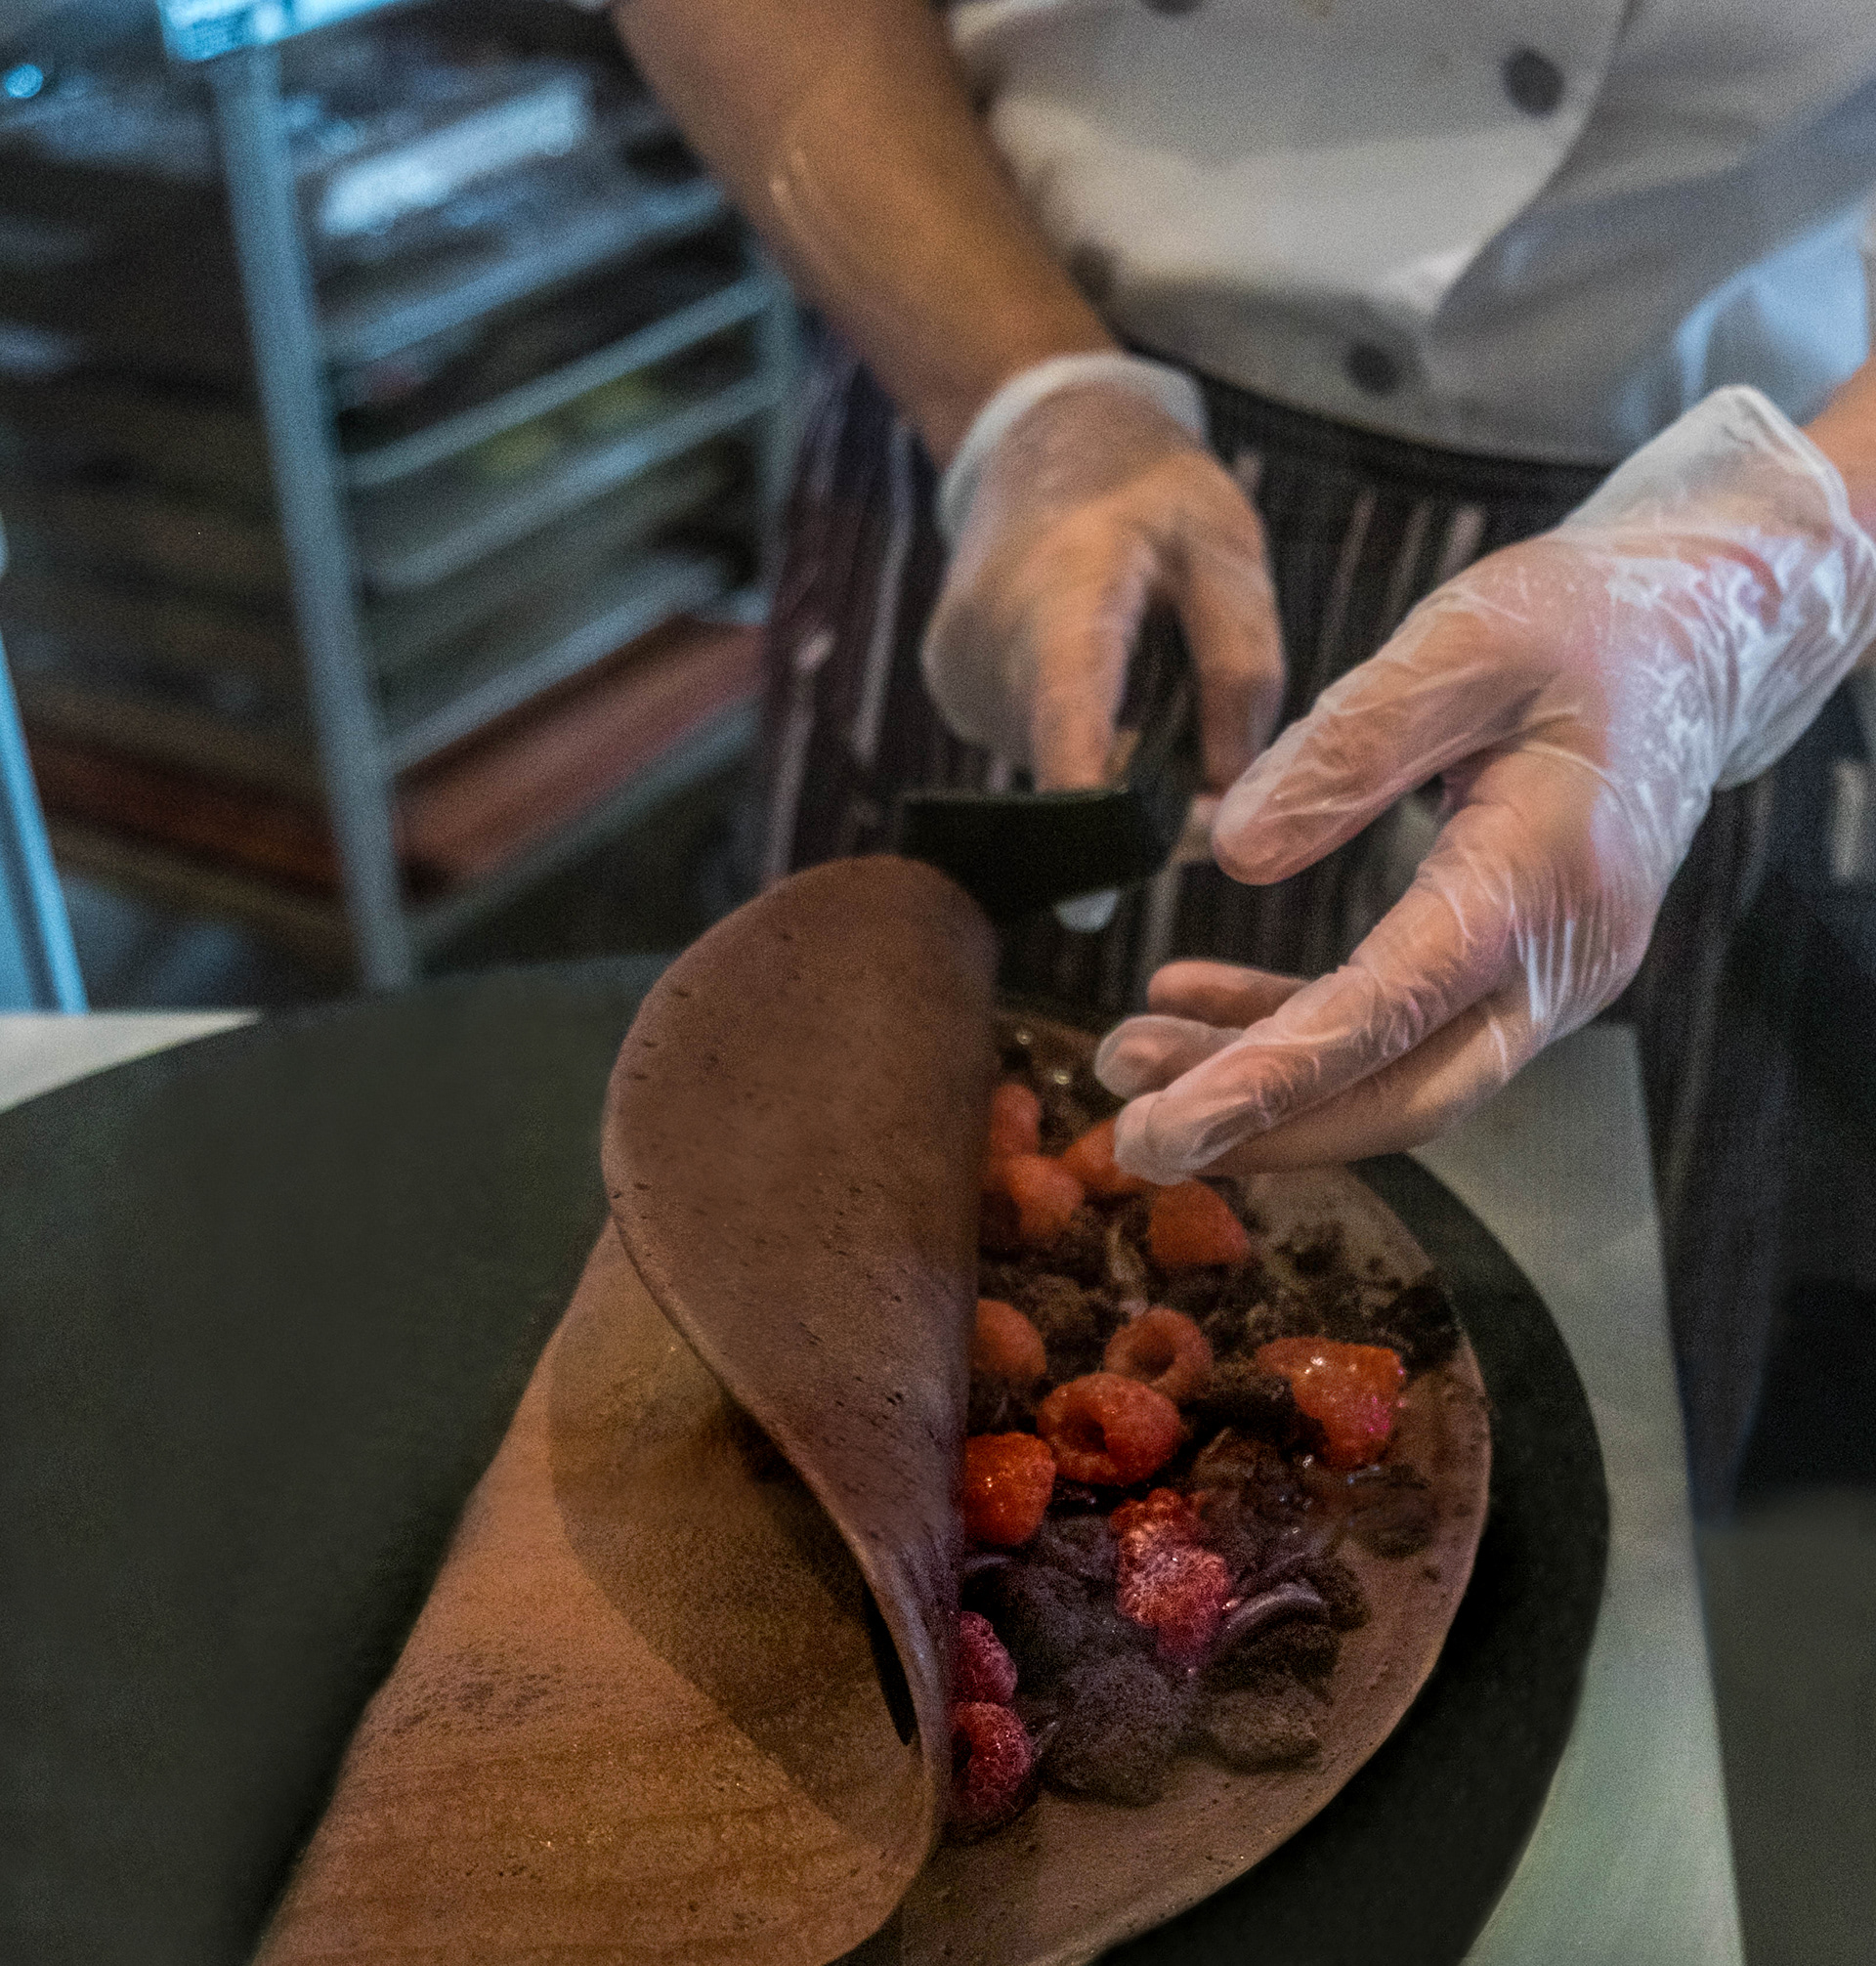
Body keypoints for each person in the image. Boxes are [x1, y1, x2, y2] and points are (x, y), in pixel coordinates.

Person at [606, 0, 1876, 1506]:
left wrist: (1750, 590)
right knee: (792, 1416)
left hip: (1690, 546)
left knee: (1550, 1526)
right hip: (982, 371)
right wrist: (1021, 401)